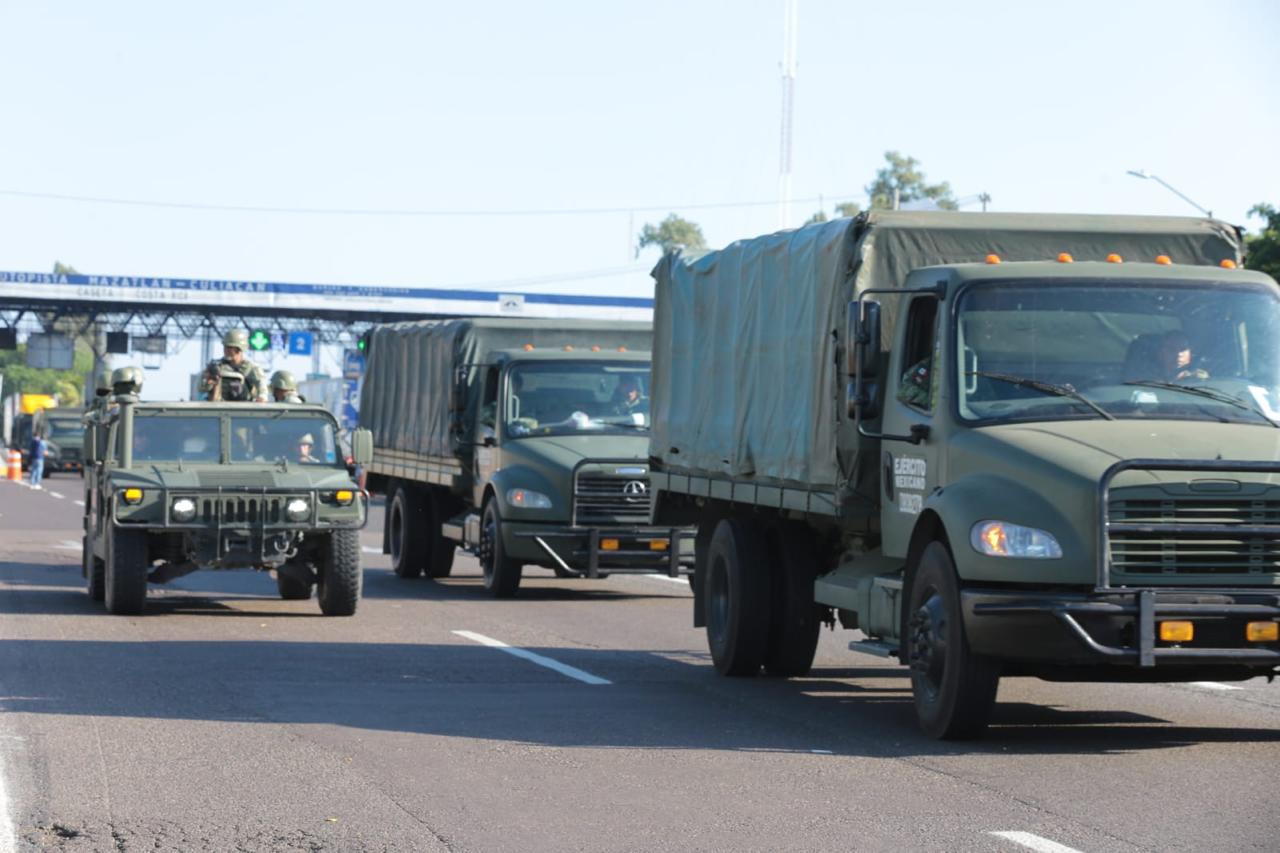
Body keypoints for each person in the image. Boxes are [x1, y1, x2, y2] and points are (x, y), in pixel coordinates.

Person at [202, 330, 266, 402]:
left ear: (239, 349)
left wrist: (261, 397)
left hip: (243, 408)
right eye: (225, 347)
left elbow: (262, 387)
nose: (226, 350)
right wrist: (209, 381)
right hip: (218, 408)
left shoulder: (252, 368)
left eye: (230, 347)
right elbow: (202, 388)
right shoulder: (216, 366)